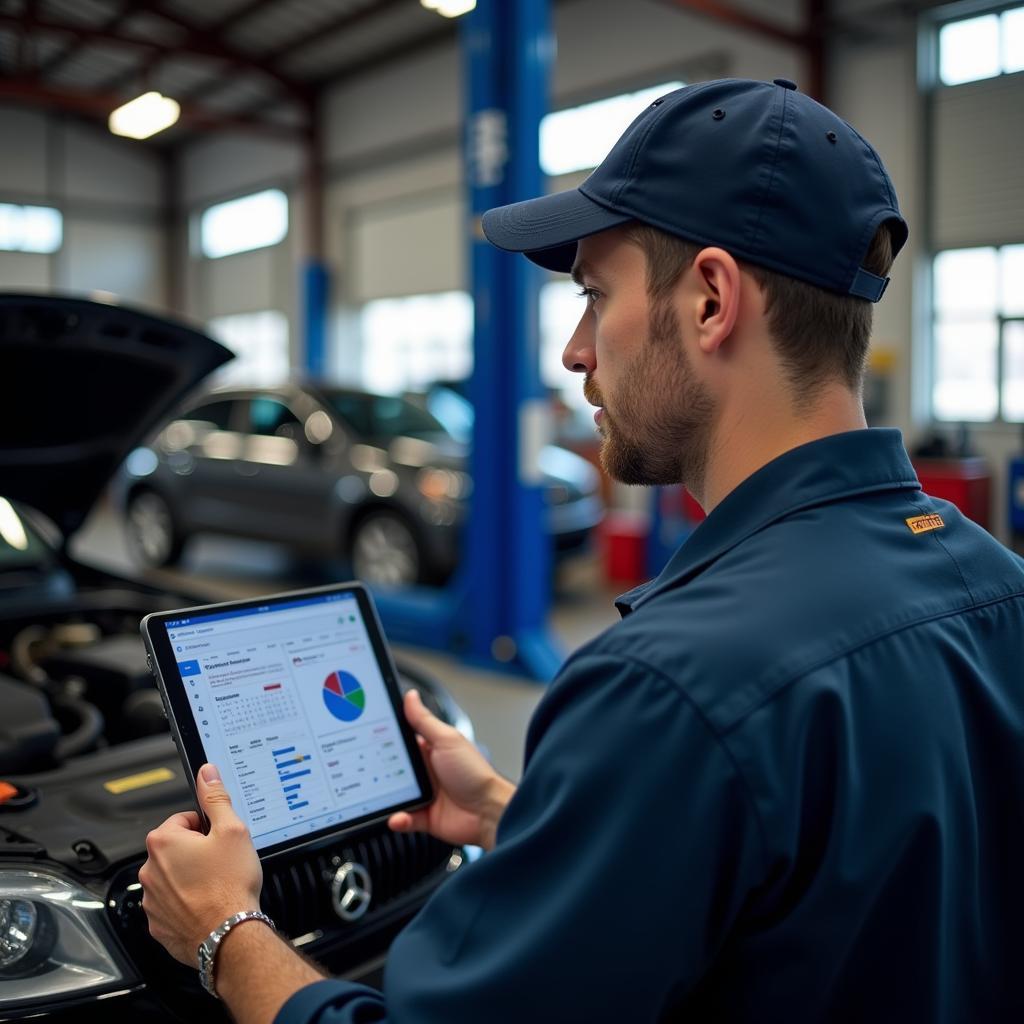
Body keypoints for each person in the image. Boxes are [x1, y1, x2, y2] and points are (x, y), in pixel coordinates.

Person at [139, 78, 1024, 1023]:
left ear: (712, 301)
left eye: (596, 296)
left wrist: (226, 932)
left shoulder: (669, 687)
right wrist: (520, 819)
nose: (573, 349)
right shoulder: (999, 587)